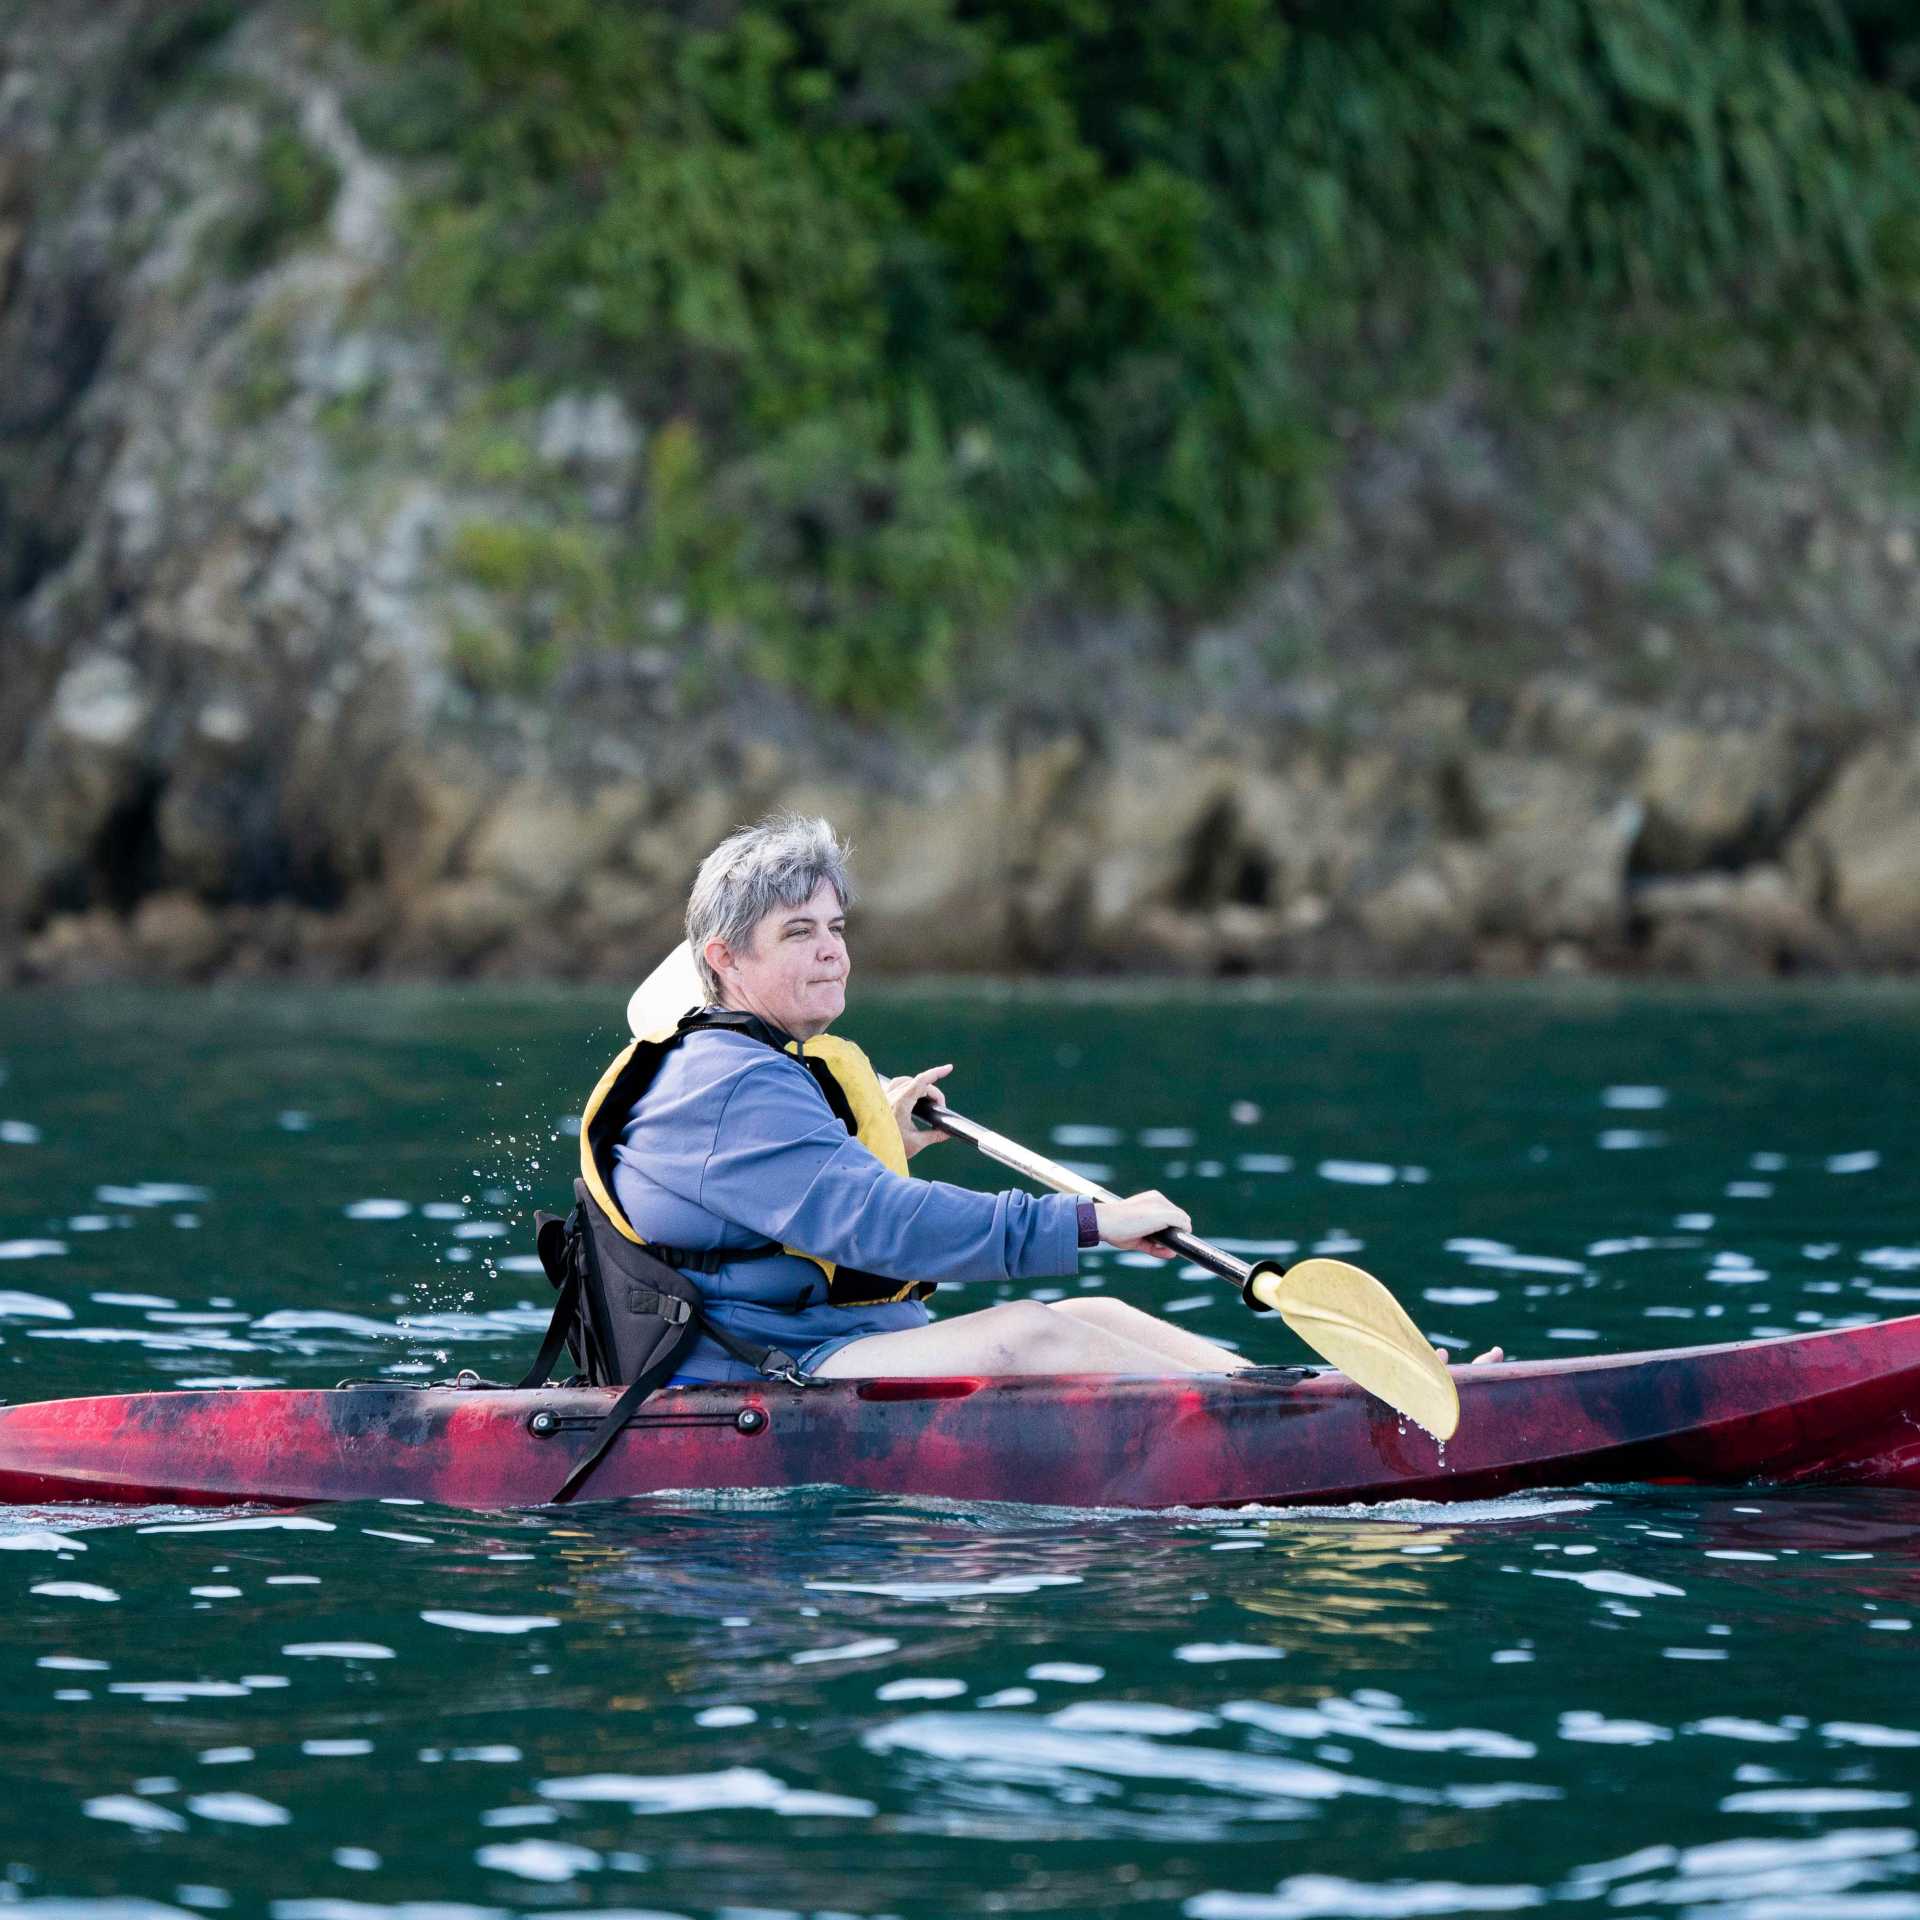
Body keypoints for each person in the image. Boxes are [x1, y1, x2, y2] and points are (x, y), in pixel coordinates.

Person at [587, 813, 1498, 1383]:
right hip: (750, 1370)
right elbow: (879, 1228)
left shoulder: (758, 1065)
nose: (833, 950)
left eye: (836, 926)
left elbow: (789, 1207)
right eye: (798, 932)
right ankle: (1325, 1432)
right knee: (1032, 1335)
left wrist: (883, 1145)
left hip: (802, 1340)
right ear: (725, 960)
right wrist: (1094, 1224)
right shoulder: (726, 1081)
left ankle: (1320, 1400)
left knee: (1093, 1318)